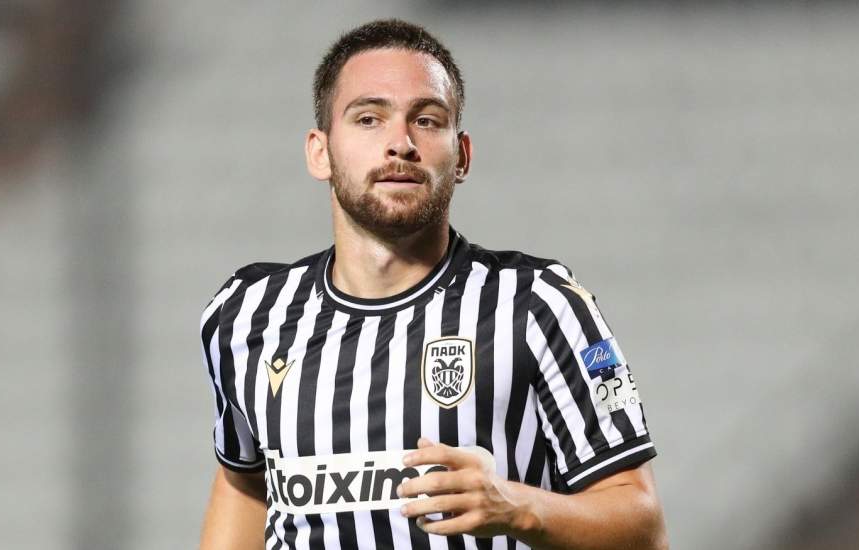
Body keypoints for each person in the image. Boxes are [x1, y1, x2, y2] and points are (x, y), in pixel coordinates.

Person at [198, 18, 667, 550]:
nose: (400, 143)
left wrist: (517, 507)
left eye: (426, 120)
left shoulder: (538, 305)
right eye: (369, 119)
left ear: (461, 155)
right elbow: (244, 485)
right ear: (319, 152)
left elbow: (644, 528)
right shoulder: (247, 314)